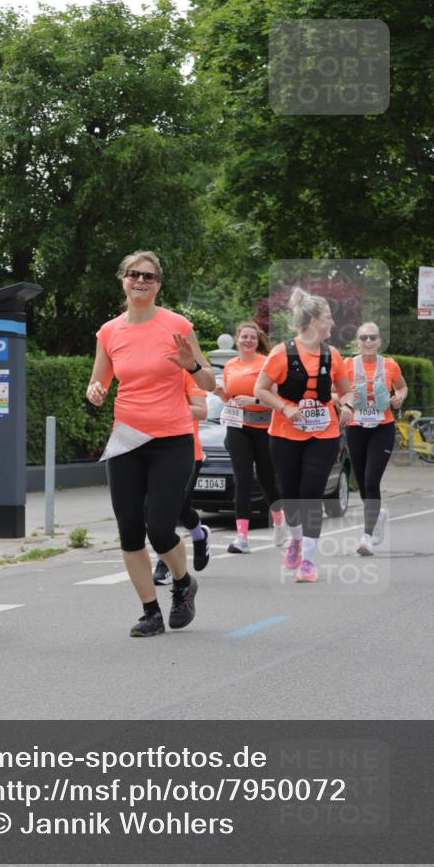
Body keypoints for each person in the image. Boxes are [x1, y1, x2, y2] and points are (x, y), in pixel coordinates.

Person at [87, 250, 215, 636]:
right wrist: (95, 391)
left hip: (172, 438)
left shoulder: (177, 325)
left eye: (148, 276)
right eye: (133, 274)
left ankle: (183, 583)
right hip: (126, 438)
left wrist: (190, 365)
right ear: (123, 280)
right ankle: (150, 612)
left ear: (158, 285)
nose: (140, 281)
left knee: (160, 528)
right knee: (129, 528)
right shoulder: (109, 331)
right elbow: (100, 382)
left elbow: (208, 382)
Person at [254, 288, 355, 583]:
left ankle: (308, 561)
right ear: (313, 321)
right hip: (285, 434)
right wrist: (285, 408)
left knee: (311, 493)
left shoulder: (332, 355)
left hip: (324, 433)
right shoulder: (282, 353)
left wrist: (347, 404)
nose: (333, 323)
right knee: (291, 495)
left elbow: (346, 389)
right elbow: (259, 389)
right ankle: (295, 540)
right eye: (328, 317)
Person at [215, 320, 287, 553]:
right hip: (237, 425)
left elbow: (277, 400)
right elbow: (230, 397)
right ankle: (242, 537)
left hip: (264, 427)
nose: (248, 340)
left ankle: (278, 519)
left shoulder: (267, 363)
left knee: (267, 479)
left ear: (257, 341)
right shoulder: (230, 365)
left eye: (252, 338)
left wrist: (254, 400)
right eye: (244, 337)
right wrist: (221, 394)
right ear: (237, 339)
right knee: (242, 479)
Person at [344, 323, 407, 556]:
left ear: (379, 341)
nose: (368, 341)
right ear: (357, 341)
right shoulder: (346, 365)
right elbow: (331, 392)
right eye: (364, 338)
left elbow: (401, 387)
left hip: (382, 428)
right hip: (356, 428)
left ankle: (366, 537)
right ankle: (377, 513)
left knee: (371, 481)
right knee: (361, 482)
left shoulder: (389, 365)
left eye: (373, 337)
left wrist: (398, 398)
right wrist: (345, 397)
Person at [153, 371, 210, 585]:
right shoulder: (145, 375)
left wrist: (165, 409)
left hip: (185, 453)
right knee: (163, 509)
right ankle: (199, 535)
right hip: (150, 452)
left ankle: (165, 562)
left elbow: (202, 411)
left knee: (171, 510)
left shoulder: (187, 373)